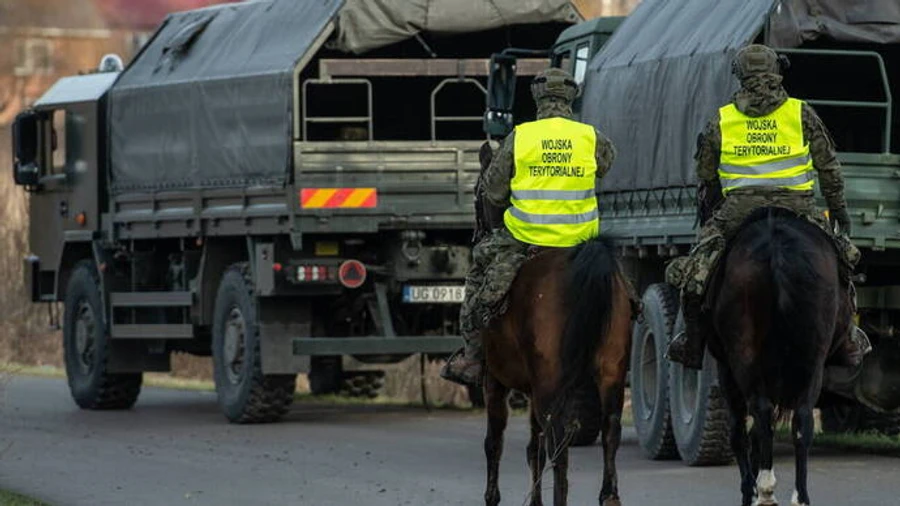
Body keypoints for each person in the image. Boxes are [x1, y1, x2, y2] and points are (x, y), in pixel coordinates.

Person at [665, 44, 872, 370]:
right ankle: (849, 337)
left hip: (738, 212)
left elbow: (706, 175)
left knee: (695, 274)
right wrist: (839, 211)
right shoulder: (801, 113)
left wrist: (714, 212)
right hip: (800, 208)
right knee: (843, 265)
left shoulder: (722, 119)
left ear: (740, 76)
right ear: (777, 72)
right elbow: (829, 167)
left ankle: (691, 341)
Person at [440, 68, 617, 387]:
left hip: (524, 238)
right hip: (581, 241)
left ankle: (473, 357)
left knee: (479, 277)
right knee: (622, 288)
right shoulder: (591, 137)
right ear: (570, 99)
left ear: (537, 99)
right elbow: (606, 164)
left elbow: (493, 190)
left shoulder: (521, 137)